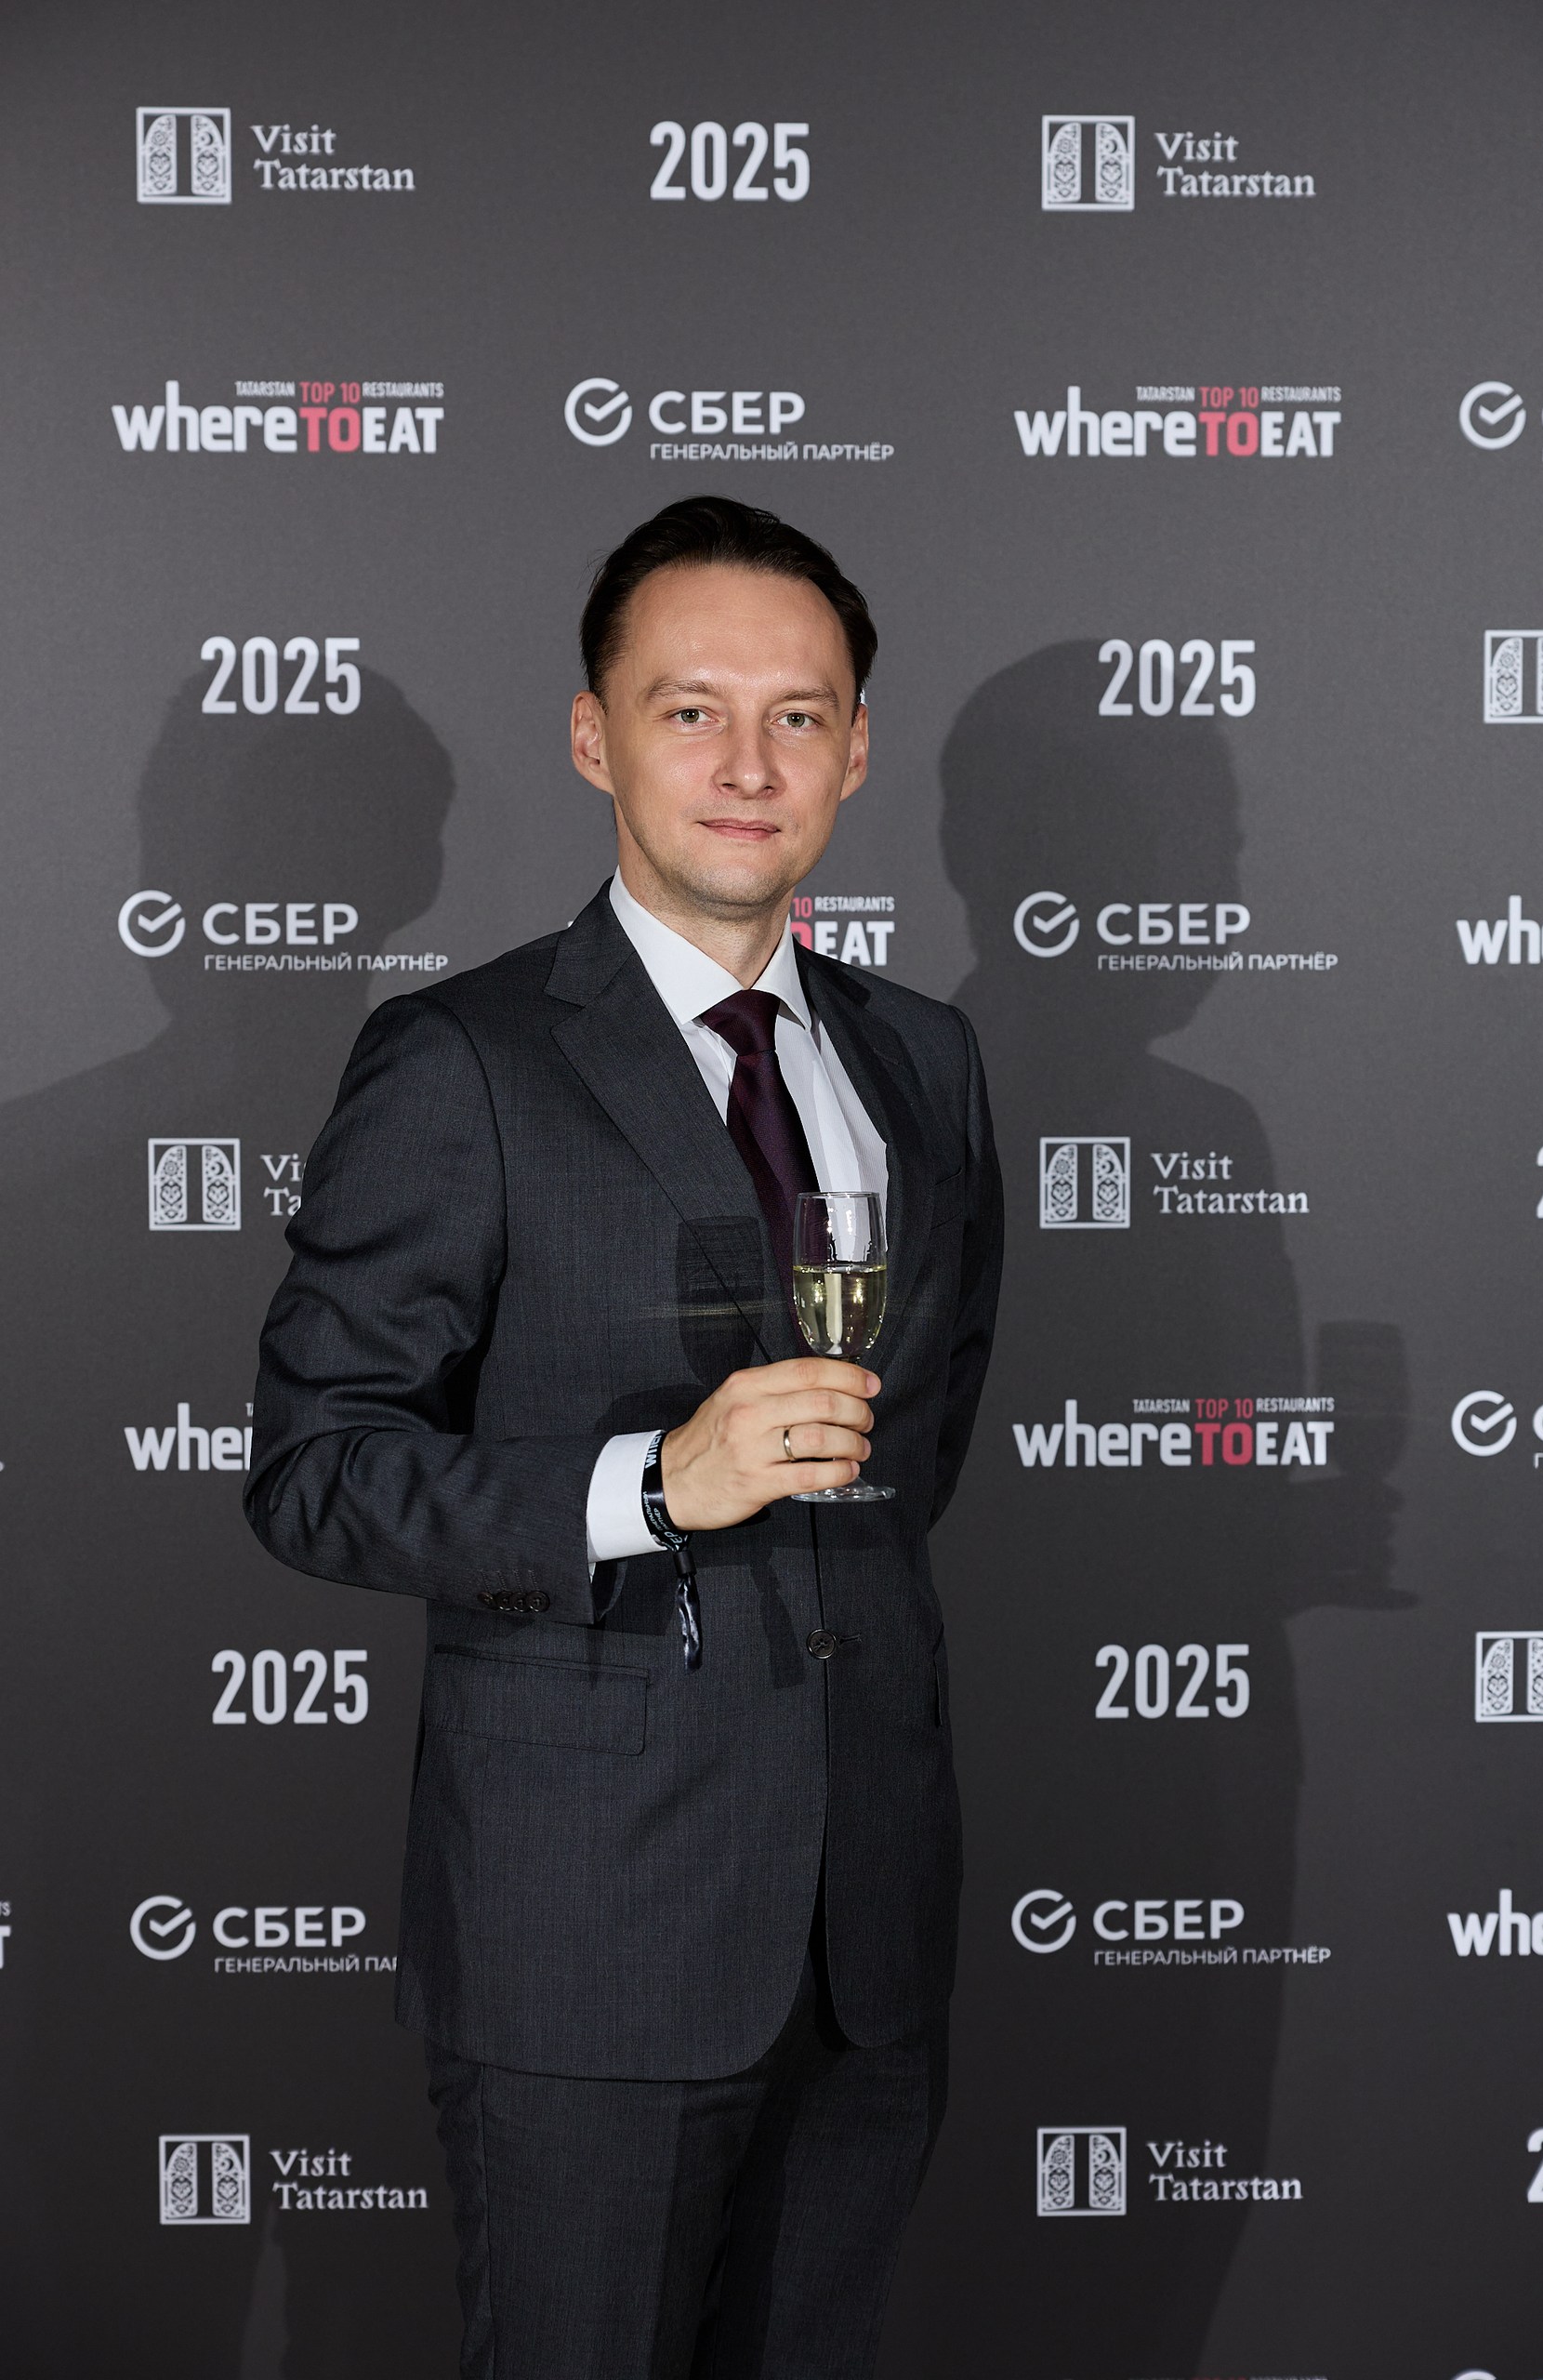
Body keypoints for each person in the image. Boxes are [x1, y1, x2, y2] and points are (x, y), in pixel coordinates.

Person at [244, 494, 1002, 2379]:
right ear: (595, 737)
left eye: (797, 715)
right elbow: (316, 1468)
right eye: (690, 711)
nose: (749, 764)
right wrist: (654, 1487)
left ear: (855, 749)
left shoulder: (923, 1058)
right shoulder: (466, 1059)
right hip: (592, 1924)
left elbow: (923, 1440)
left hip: (867, 1917)